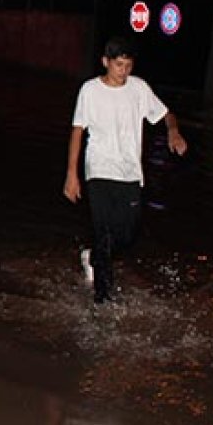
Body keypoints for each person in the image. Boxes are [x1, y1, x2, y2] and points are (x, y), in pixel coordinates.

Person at [63, 36, 187, 304]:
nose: (124, 72)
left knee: (128, 235)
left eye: (128, 66)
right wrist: (72, 174)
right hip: (98, 170)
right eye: (119, 65)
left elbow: (166, 113)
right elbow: (77, 131)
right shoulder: (90, 91)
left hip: (130, 173)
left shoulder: (139, 89)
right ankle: (102, 302)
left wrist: (173, 131)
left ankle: (93, 257)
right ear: (105, 62)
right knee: (105, 234)